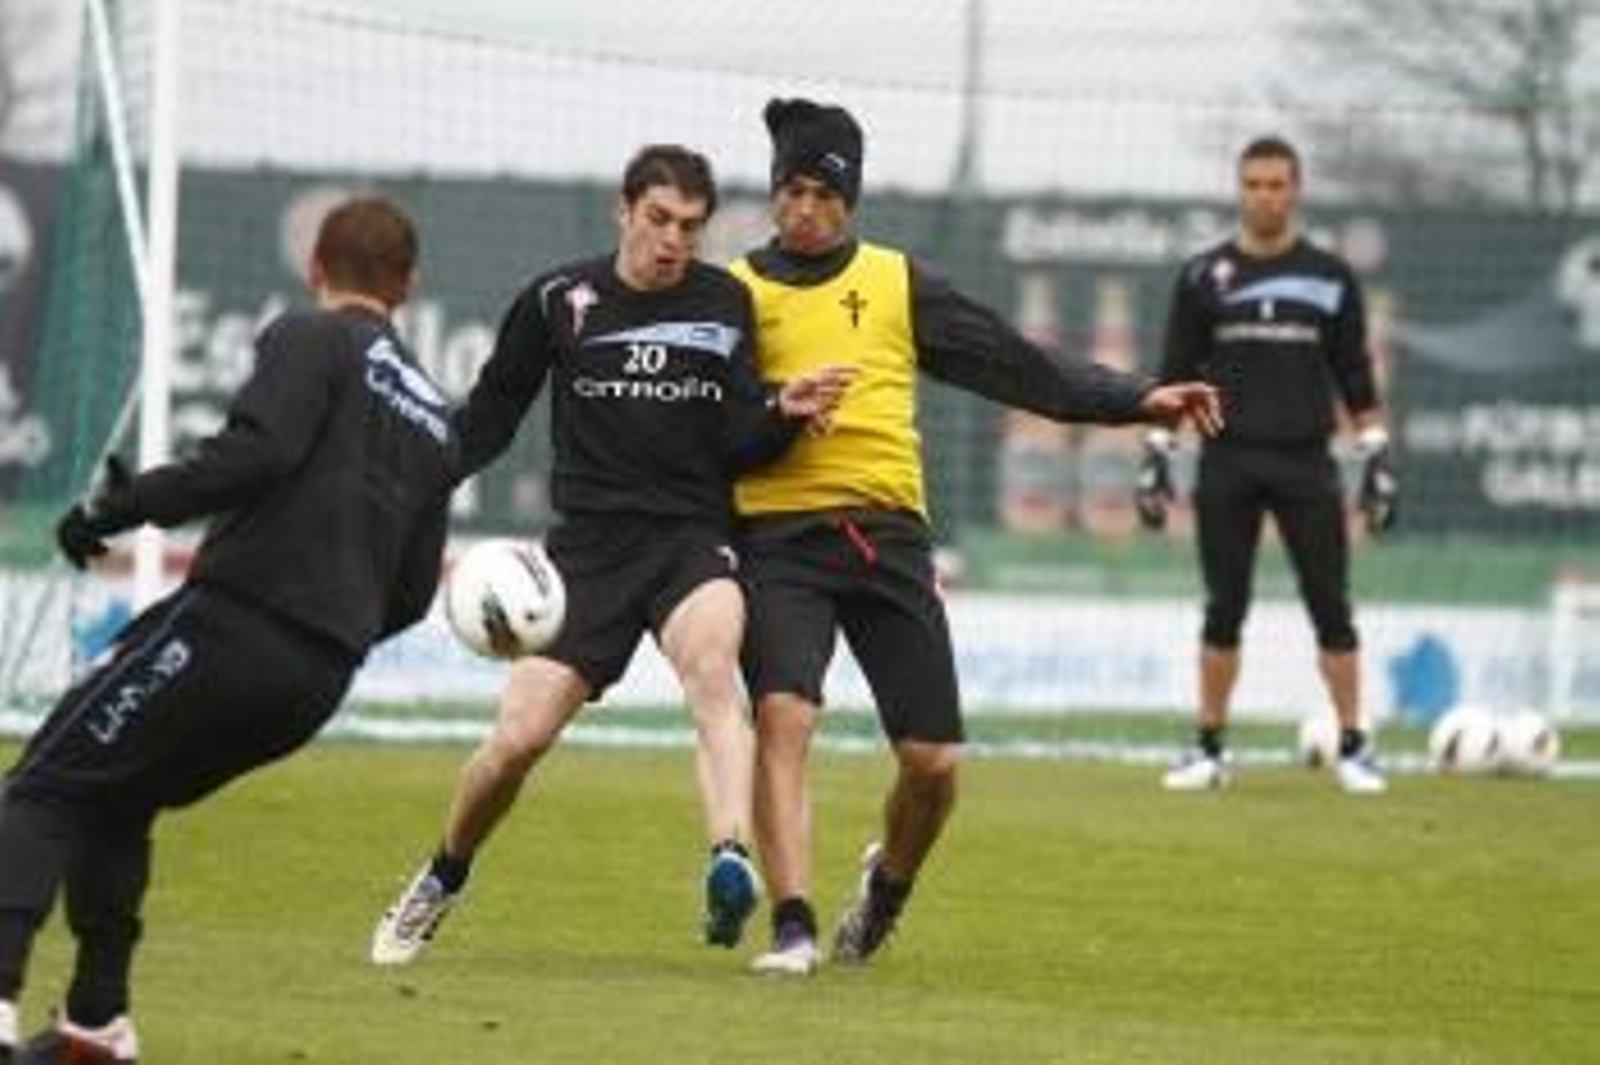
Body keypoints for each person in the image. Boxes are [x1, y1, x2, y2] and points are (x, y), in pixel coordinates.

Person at [732, 98, 1225, 976]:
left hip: (887, 536)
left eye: (823, 193)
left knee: (932, 763)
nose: (804, 209)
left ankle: (887, 885)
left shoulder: (895, 282)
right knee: (783, 717)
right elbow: (709, 426)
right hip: (777, 538)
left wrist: (1135, 397)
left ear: (851, 201)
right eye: (791, 191)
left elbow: (1018, 364)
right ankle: (795, 925)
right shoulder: (733, 291)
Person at [368, 145, 853, 967]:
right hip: (586, 555)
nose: (673, 241)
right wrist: (407, 486)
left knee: (713, 670)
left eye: (691, 227)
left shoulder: (724, 301)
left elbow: (738, 436)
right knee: (515, 742)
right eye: (659, 219)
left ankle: (729, 856)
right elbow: (487, 421)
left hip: (691, 538)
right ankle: (443, 874)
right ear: (623, 211)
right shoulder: (560, 299)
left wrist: (781, 410)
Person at [0, 196, 455, 1063]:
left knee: (46, 783)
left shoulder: (309, 337)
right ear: (408, 286)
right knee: (115, 795)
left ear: (317, 267)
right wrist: (336, 618)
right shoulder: (437, 418)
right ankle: (96, 1026)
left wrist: (122, 507)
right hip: (315, 679)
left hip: (234, 628)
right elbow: (410, 595)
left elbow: (256, 452)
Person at [1139, 135, 1398, 796]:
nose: (1265, 195)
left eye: (1277, 183)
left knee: (1331, 607)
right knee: (1224, 606)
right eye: (1253, 183)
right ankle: (1209, 749)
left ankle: (1354, 746)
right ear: (1239, 190)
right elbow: (1176, 375)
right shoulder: (1203, 276)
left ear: (1296, 190)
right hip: (1227, 460)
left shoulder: (1331, 276)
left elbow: (1356, 377)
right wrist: (1157, 457)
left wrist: (1376, 458)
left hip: (1307, 462)